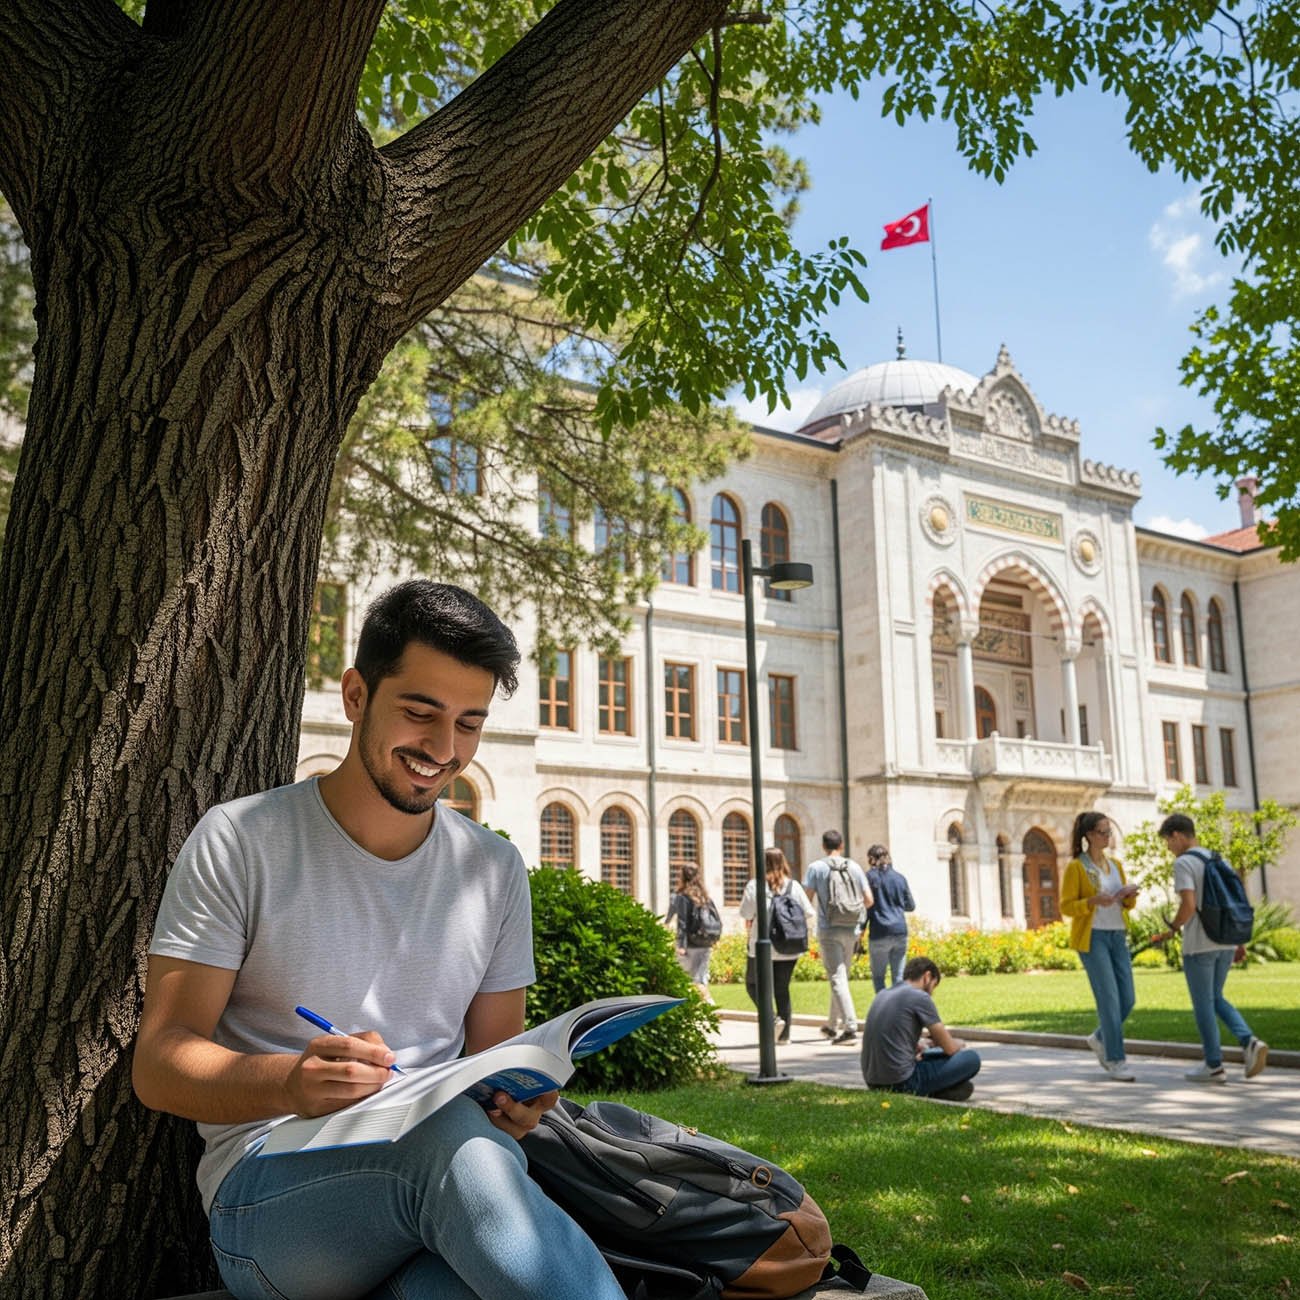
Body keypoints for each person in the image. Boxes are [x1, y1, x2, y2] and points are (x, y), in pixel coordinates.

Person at [132, 581, 626, 1300]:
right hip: (271, 1198)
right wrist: (293, 1082)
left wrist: (521, 1104)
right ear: (357, 694)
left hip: (438, 1199)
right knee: (446, 1147)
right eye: (420, 713)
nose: (444, 749)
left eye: (469, 723)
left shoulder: (493, 869)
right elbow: (160, 1062)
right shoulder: (242, 840)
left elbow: (497, 1064)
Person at [1154, 814, 1269, 1083]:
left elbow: (1189, 905)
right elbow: (1233, 901)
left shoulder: (1184, 863)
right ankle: (1248, 1041)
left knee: (1203, 1003)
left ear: (1177, 835)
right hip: (1225, 940)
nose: (1169, 848)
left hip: (1199, 944)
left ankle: (1214, 1065)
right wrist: (1237, 941)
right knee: (1215, 997)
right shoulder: (1218, 858)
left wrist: (1172, 928)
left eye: (1168, 842)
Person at [1060, 810, 1141, 1082]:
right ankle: (1116, 1059)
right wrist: (1092, 902)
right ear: (1089, 836)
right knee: (1109, 999)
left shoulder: (1115, 865)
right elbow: (1066, 906)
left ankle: (1098, 1038)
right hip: (1092, 938)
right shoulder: (1077, 867)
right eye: (1103, 832)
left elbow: (1126, 905)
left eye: (1109, 832)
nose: (1108, 836)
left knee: (1127, 998)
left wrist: (1128, 896)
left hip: (1117, 935)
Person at [860, 957, 981, 1100]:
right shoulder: (920, 997)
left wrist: (917, 1045)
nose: (932, 993)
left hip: (873, 1082)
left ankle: (940, 1090)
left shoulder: (883, 994)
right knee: (971, 1059)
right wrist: (957, 1044)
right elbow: (950, 1048)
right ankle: (933, 1089)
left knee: (963, 1088)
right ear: (927, 977)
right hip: (902, 1081)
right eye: (933, 986)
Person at [739, 847, 816, 1043]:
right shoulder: (793, 886)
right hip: (789, 946)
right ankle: (785, 1035)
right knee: (782, 989)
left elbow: (746, 914)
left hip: (761, 947)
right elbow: (809, 912)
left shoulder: (754, 886)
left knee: (753, 985)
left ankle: (773, 1020)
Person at [803, 830, 873, 1045]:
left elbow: (806, 900)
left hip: (829, 928)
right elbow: (869, 900)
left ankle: (850, 1028)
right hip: (851, 929)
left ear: (824, 846)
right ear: (841, 845)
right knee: (841, 978)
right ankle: (832, 1026)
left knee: (837, 978)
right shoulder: (854, 866)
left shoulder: (816, 868)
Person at [864, 843, 915, 993]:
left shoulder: (870, 877)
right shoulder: (900, 878)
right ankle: (898, 1013)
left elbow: (867, 907)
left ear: (872, 859)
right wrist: (895, 904)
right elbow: (910, 905)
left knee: (879, 977)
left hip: (879, 931)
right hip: (900, 931)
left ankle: (883, 1009)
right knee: (898, 977)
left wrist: (860, 930)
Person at [665, 862, 718, 1003]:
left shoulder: (682, 897)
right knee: (701, 977)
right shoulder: (705, 896)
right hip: (706, 942)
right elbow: (716, 918)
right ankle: (706, 1005)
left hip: (691, 944)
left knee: (684, 977)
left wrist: (680, 944)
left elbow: (682, 923)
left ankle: (706, 1004)